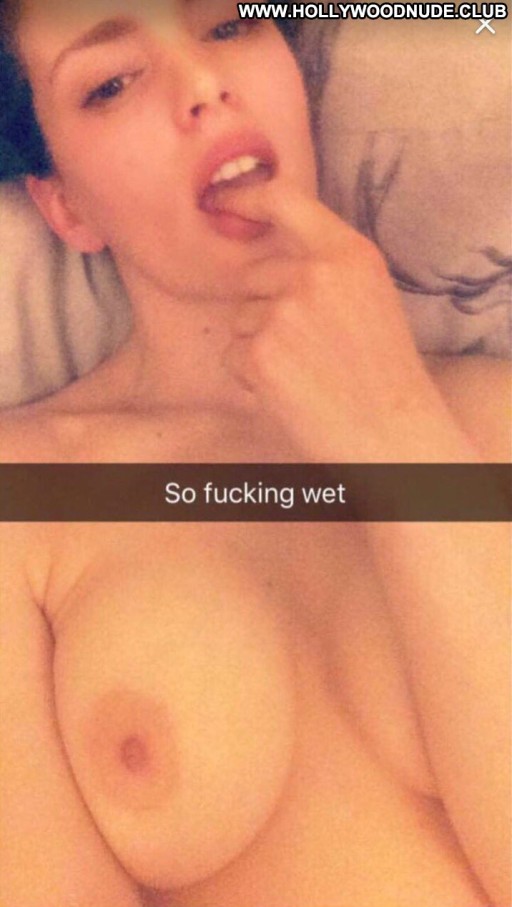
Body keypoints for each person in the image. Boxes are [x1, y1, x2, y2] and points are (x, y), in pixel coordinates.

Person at [0, 2, 510, 905]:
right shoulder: (24, 505)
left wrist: (398, 434)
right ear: (66, 206)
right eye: (112, 83)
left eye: (230, 25)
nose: (203, 84)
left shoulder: (492, 416)